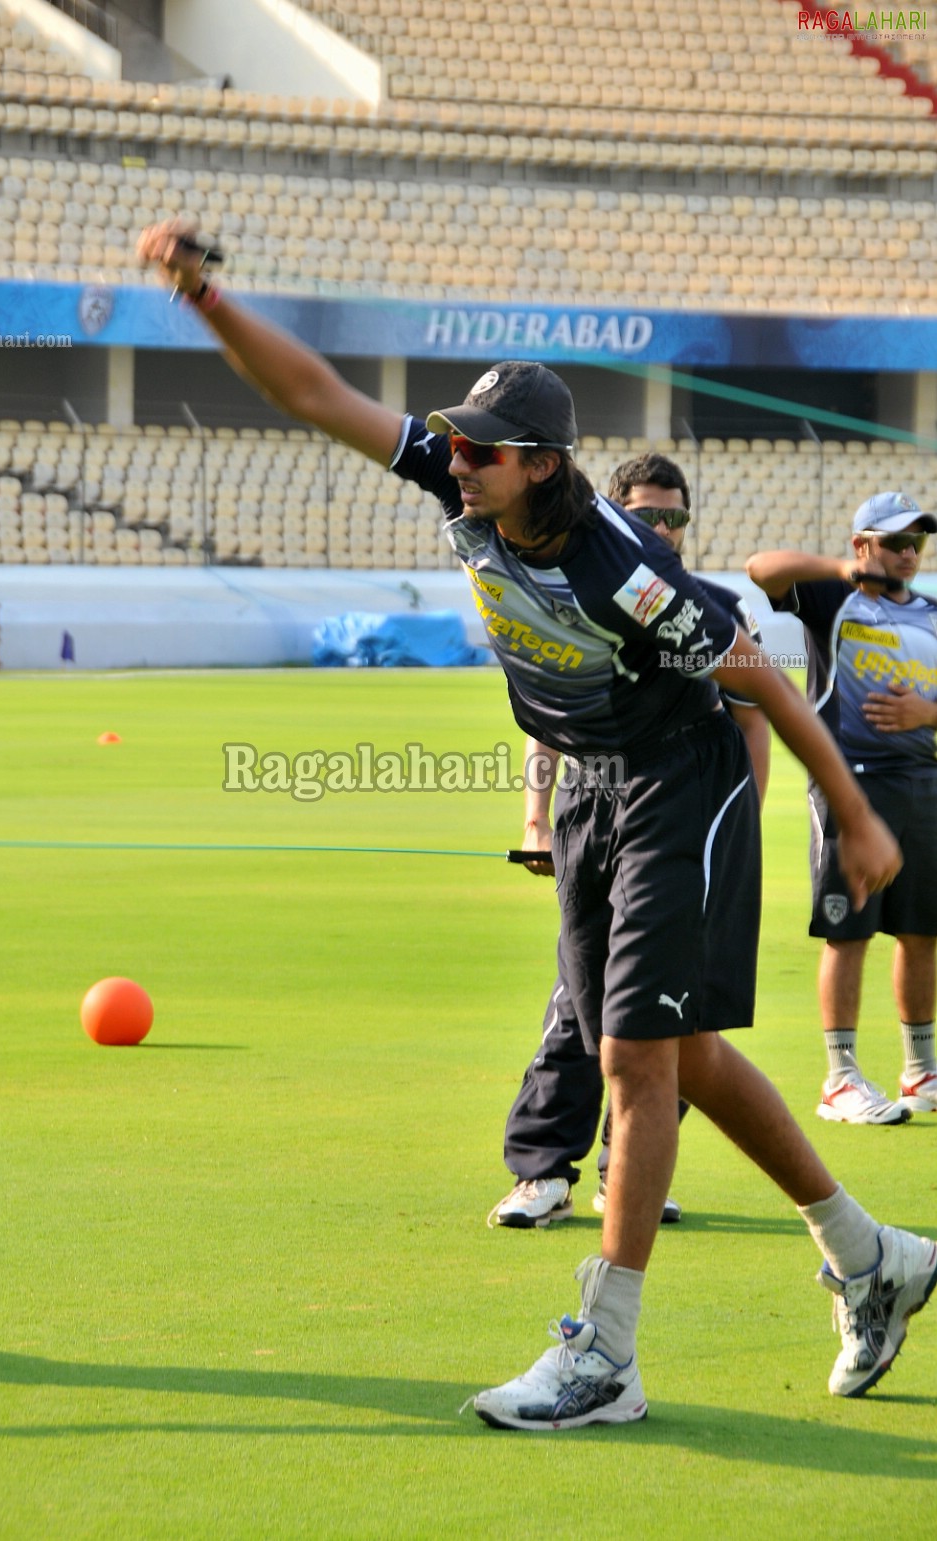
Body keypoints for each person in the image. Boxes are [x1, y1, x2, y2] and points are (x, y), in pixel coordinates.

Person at [136, 221, 934, 1429]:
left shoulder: (628, 572)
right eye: (456, 441)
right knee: (687, 1055)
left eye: (484, 451)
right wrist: (205, 298)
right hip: (589, 783)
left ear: (543, 465)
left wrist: (858, 816)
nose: (458, 462)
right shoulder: (461, 472)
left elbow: (761, 682)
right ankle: (872, 1254)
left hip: (682, 779)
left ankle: (604, 1354)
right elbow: (315, 392)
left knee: (631, 1059)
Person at [490, 453, 771, 1230]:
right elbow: (544, 721)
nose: (662, 529)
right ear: (614, 515)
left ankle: (630, 1168)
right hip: (591, 798)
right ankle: (540, 1172)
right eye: (646, 515)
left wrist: (734, 825)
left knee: (668, 1008)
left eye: (673, 516)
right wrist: (534, 819)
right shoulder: (570, 592)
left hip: (685, 806)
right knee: (577, 1004)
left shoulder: (712, 607)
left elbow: (752, 717)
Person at [747, 492, 937, 1125]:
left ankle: (922, 1072)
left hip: (923, 785)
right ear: (863, 545)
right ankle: (841, 1079)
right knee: (848, 932)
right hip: (849, 791)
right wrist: (837, 570)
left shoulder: (934, 613)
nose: (908, 554)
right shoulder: (833, 599)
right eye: (894, 542)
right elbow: (760, 567)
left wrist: (927, 713)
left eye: (917, 542)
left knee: (922, 933)